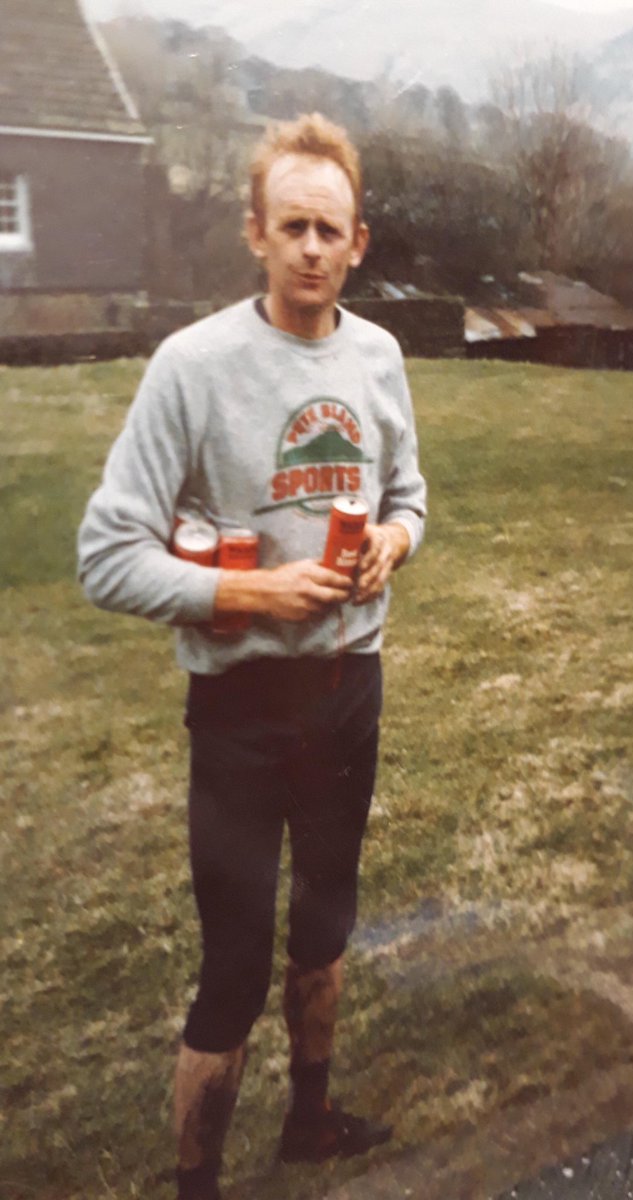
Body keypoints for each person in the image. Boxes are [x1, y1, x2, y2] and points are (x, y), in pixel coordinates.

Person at [77, 112, 426, 1200]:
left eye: (331, 228)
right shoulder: (193, 367)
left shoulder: (378, 356)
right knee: (231, 969)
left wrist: (391, 545)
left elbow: (409, 497)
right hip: (238, 714)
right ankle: (197, 1187)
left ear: (358, 242)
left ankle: (310, 1122)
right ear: (256, 235)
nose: (313, 247)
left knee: (324, 928)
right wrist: (251, 590)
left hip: (345, 695)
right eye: (293, 226)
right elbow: (105, 556)